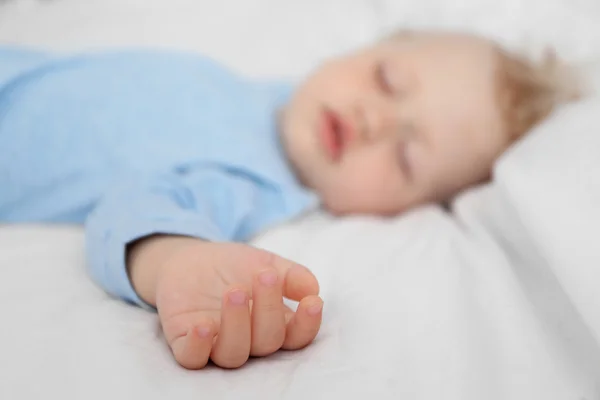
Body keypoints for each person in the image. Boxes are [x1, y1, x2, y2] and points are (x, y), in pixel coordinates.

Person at [0, 30, 579, 370]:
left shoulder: (253, 181)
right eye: (387, 80)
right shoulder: (247, 91)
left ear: (408, 212)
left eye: (406, 158)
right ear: (360, 50)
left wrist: (175, 260)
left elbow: (136, 210)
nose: (375, 119)